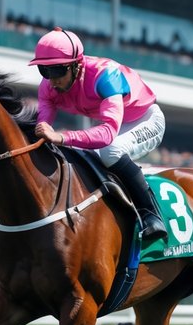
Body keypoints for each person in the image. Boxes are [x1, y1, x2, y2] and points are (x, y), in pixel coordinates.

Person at [26, 27, 167, 245]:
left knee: (110, 151)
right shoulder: (49, 87)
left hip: (145, 120)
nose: (51, 80)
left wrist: (62, 137)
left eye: (57, 71)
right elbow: (43, 126)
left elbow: (108, 133)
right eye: (44, 71)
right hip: (110, 124)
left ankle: (151, 214)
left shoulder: (106, 76)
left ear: (76, 65)